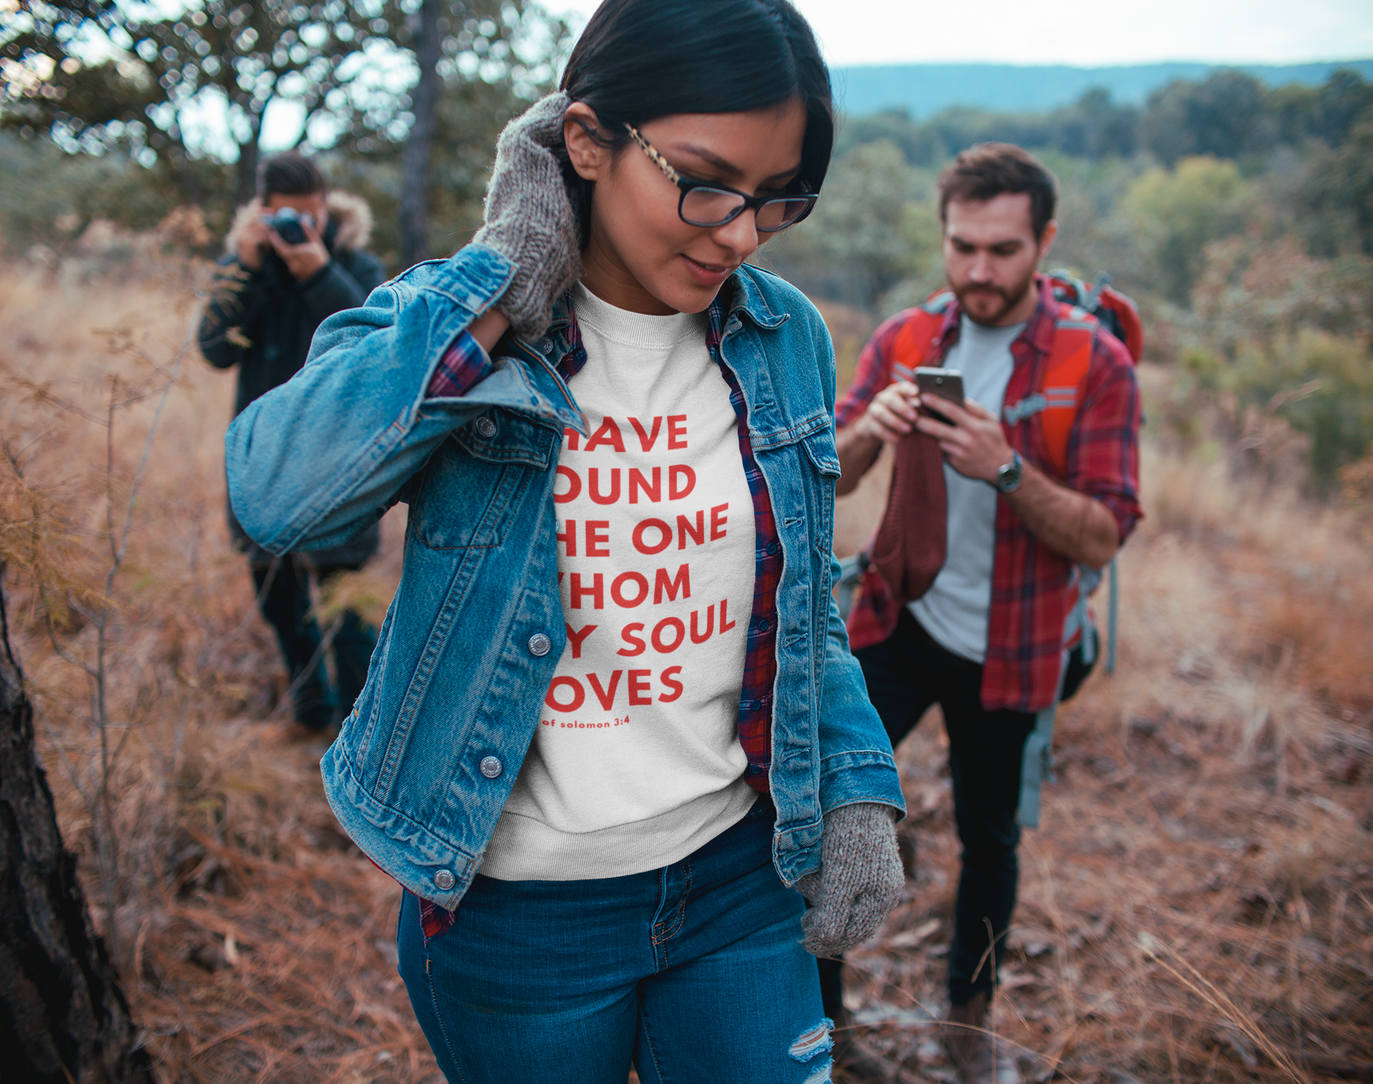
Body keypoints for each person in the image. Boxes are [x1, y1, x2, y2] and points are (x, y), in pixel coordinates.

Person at [224, 0, 908, 1078]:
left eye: (776, 199)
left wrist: (855, 778)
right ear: (585, 142)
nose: (737, 231)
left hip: (738, 877)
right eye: (703, 179)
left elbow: (802, 598)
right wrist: (502, 280)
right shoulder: (462, 331)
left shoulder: (784, 339)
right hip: (520, 913)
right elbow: (282, 496)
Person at [830, 143, 1142, 1084]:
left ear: (1043, 242)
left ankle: (966, 1026)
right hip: (896, 618)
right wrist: (867, 433)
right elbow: (821, 475)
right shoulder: (905, 338)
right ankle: (823, 1022)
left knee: (989, 837)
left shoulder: (1095, 360)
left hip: (1014, 642)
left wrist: (1004, 469)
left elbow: (1102, 534)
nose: (976, 272)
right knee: (832, 809)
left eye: (1002, 250)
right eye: (961, 247)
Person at [198, 153, 386, 735]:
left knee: (347, 603)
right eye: (287, 218)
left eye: (311, 215)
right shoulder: (246, 265)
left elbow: (379, 346)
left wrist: (317, 271)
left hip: (341, 459)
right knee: (280, 599)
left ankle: (359, 725)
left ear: (326, 205)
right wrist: (251, 268)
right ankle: (311, 711)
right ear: (263, 212)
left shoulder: (356, 264)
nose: (301, 228)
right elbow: (214, 349)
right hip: (266, 458)